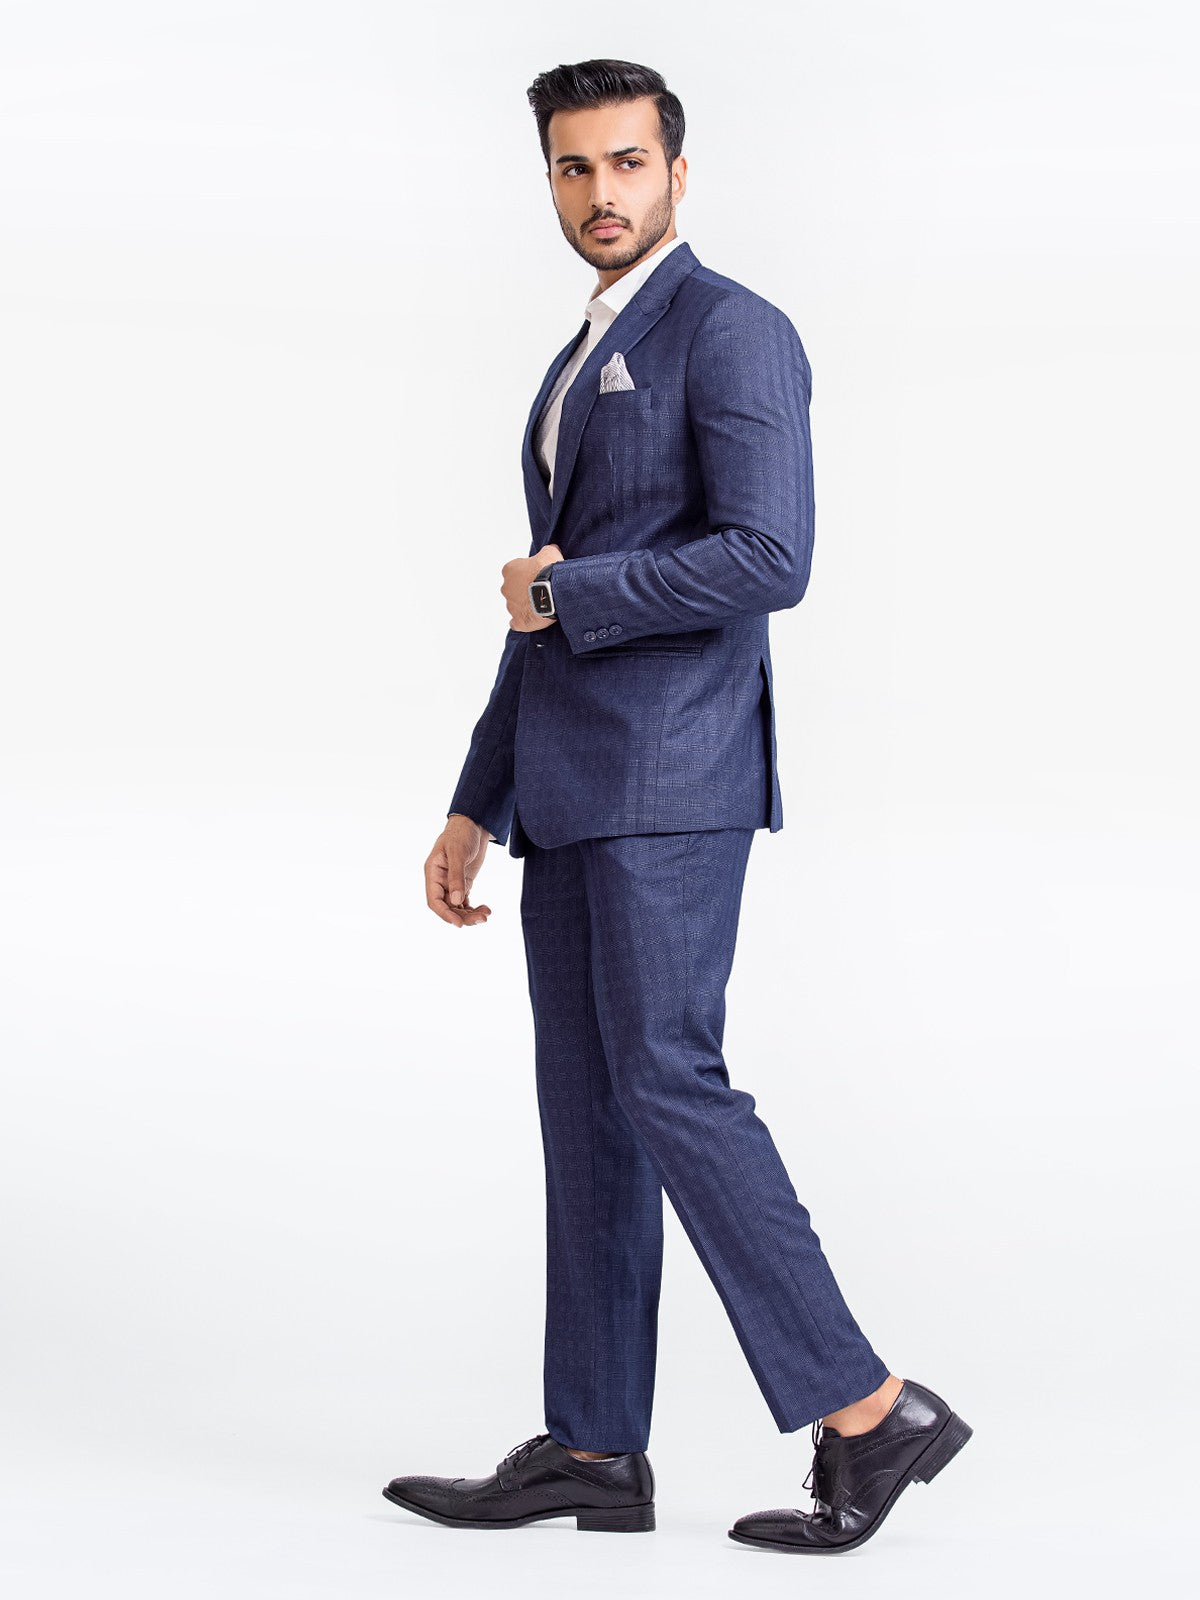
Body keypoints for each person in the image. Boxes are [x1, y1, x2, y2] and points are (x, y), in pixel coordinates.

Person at [387, 57, 971, 1555]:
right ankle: (594, 1446)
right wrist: (475, 800)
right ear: (550, 181)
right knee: (587, 1112)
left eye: (628, 163)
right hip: (569, 789)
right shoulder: (578, 355)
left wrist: (572, 593)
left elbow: (772, 556)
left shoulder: (733, 328)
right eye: (575, 168)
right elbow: (542, 607)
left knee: (666, 1079)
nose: (603, 193)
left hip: (673, 780)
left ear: (679, 172)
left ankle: (870, 1408)